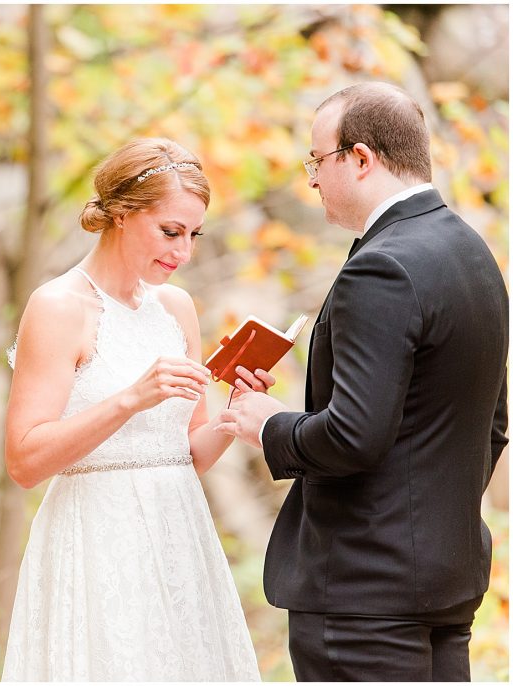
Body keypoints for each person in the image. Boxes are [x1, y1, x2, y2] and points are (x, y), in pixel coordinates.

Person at [215, 82, 509, 681]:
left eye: (317, 162)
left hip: (365, 597)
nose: (313, 181)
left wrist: (267, 423)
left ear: (361, 157)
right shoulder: (472, 253)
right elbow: (495, 422)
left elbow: (353, 436)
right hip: (447, 581)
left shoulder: (381, 267)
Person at [1, 138, 265, 681]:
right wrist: (129, 399)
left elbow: (187, 454)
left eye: (194, 234)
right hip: (97, 541)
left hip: (180, 536)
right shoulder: (57, 307)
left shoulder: (176, 308)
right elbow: (24, 461)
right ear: (121, 214)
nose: (183, 252)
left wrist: (233, 414)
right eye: (170, 232)